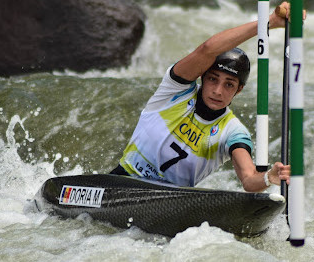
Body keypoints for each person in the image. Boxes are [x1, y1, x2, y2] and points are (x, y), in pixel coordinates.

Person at [111, 2, 301, 192]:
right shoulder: (174, 91)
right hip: (121, 182)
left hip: (168, 203)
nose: (218, 91)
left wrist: (269, 177)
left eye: (229, 84)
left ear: (239, 90)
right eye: (213, 79)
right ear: (202, 76)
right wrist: (269, 22)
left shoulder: (232, 131)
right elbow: (208, 48)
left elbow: (249, 179)